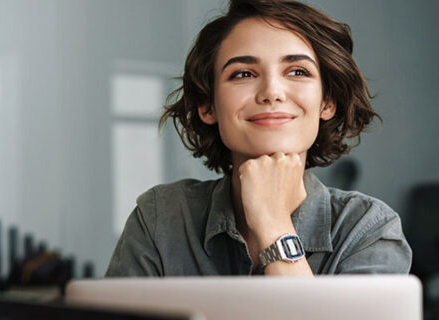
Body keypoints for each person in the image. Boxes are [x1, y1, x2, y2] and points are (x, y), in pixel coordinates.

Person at [105, 0, 412, 277]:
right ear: (208, 105)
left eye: (297, 72)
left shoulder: (369, 230)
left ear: (327, 103)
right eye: (243, 74)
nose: (271, 93)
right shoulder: (160, 219)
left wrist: (273, 224)